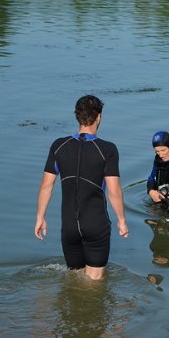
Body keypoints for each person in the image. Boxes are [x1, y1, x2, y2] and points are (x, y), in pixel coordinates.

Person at [34, 95, 129, 280]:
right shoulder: (107, 150)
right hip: (95, 225)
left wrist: (40, 217)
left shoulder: (58, 146)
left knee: (75, 280)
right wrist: (121, 220)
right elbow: (114, 190)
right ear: (99, 117)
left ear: (77, 117)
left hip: (69, 227)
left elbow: (46, 186)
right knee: (92, 288)